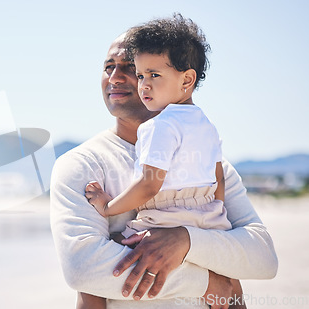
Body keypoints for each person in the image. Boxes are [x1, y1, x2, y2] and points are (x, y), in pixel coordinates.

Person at [49, 18, 278, 309]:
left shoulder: (207, 162)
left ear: (184, 79)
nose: (116, 77)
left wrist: (185, 241)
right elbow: (83, 268)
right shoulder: (82, 165)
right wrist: (207, 282)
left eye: (133, 68)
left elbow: (263, 259)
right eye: (108, 67)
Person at [80, 14, 241, 309]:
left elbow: (150, 185)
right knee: (224, 281)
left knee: (110, 252)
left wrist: (107, 206)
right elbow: (218, 181)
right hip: (209, 219)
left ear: (187, 79)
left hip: (166, 217)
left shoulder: (159, 126)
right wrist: (214, 223)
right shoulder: (206, 124)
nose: (144, 85)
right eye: (141, 75)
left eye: (154, 75)